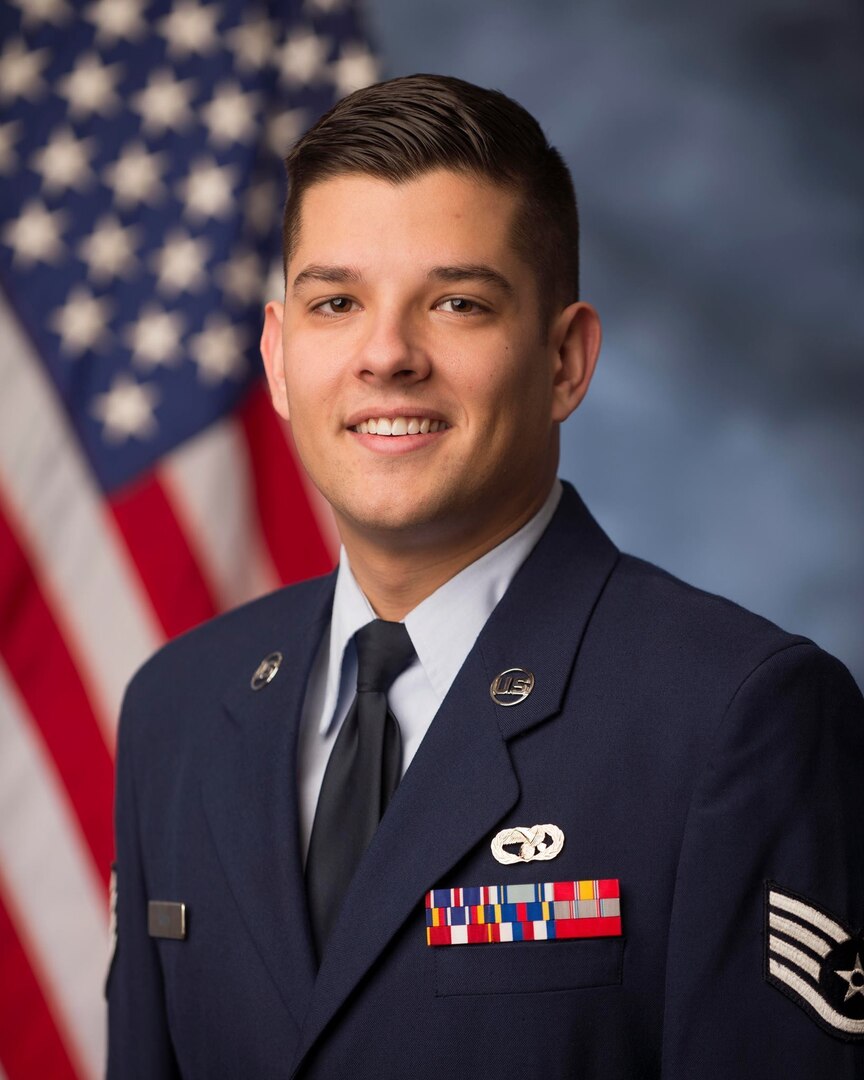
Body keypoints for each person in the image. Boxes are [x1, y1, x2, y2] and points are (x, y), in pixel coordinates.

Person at [107, 74, 864, 1079]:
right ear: (280, 359)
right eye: (337, 303)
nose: (387, 356)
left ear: (564, 361)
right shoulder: (180, 710)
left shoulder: (735, 716)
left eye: (457, 303)